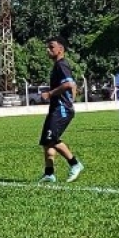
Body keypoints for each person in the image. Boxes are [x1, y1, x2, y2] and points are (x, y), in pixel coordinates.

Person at [38, 37, 84, 183]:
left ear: (60, 49)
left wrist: (50, 94)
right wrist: (72, 99)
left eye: (51, 47)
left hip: (61, 108)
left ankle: (75, 164)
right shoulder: (58, 66)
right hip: (57, 108)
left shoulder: (61, 65)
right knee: (46, 141)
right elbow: (73, 84)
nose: (48, 50)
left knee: (51, 139)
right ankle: (49, 174)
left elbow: (69, 84)